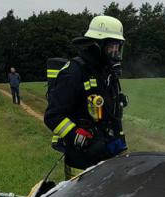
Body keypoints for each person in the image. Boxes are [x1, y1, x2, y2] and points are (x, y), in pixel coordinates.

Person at [43, 15, 128, 180]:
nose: (115, 53)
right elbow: (53, 116)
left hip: (107, 156)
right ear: (97, 45)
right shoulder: (74, 73)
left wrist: (120, 144)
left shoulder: (107, 72)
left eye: (118, 47)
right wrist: (78, 135)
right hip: (80, 163)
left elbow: (113, 114)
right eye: (112, 47)